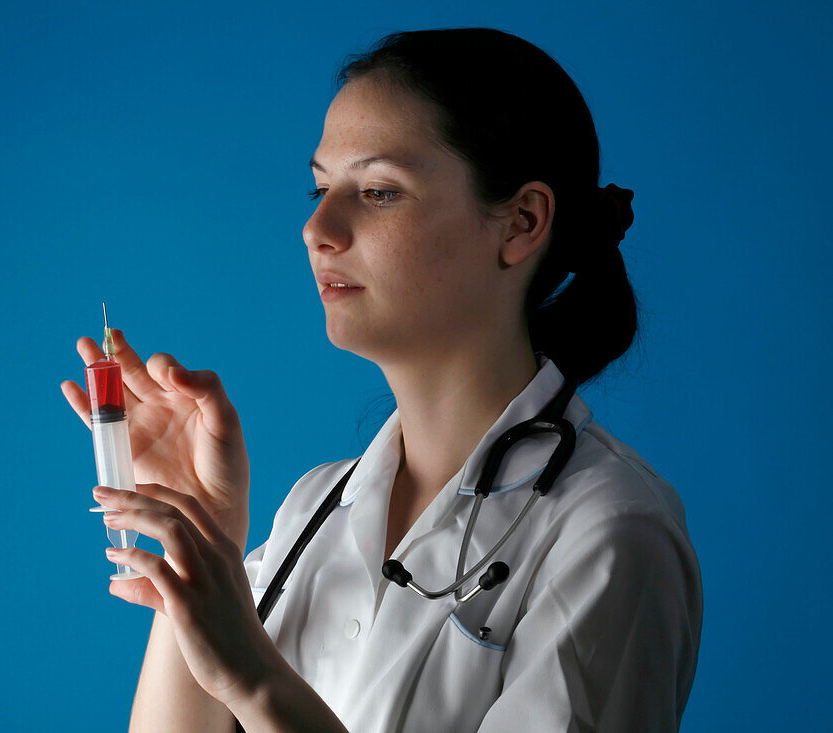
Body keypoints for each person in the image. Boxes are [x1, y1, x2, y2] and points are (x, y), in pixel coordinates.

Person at [61, 27, 702, 732]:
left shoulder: (612, 531)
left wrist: (254, 674)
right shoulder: (313, 509)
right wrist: (202, 535)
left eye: (377, 190)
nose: (317, 227)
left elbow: (248, 680)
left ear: (521, 222)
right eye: (319, 186)